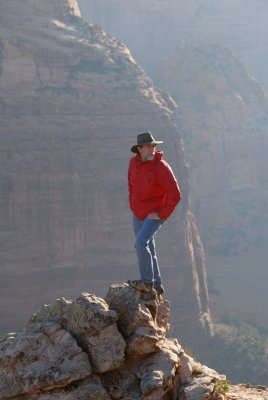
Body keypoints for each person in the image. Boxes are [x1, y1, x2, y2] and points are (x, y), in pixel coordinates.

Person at [127, 131, 181, 296]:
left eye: (153, 146)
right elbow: (131, 185)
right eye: (148, 146)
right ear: (139, 149)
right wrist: (133, 206)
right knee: (149, 245)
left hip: (154, 213)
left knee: (140, 243)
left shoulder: (161, 167)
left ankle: (147, 282)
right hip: (138, 213)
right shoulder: (133, 163)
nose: (152, 149)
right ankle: (157, 284)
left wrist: (162, 214)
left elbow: (176, 195)